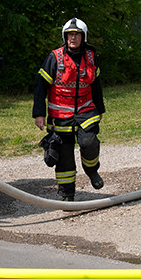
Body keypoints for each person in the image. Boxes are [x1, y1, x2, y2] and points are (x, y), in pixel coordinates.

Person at [32, 18, 104, 201]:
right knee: (64, 157)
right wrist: (39, 113)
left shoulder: (90, 57)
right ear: (64, 37)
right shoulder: (54, 57)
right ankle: (67, 195)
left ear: (83, 37)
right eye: (70, 34)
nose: (73, 38)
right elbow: (40, 86)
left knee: (89, 142)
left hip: (86, 111)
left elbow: (96, 85)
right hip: (60, 116)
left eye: (77, 34)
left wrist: (100, 108)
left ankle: (92, 170)